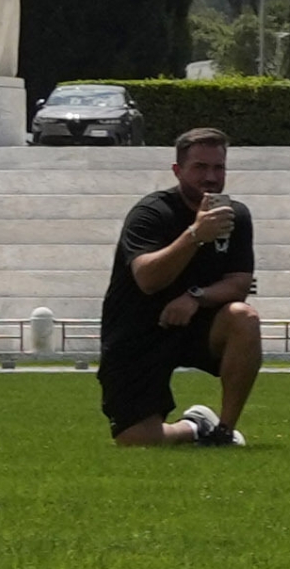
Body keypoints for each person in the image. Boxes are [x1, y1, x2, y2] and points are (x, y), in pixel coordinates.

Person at [105, 126, 261, 446]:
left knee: (243, 318)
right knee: (135, 440)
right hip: (140, 331)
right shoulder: (151, 213)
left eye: (218, 168)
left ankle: (224, 433)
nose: (210, 177)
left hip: (196, 325)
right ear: (178, 171)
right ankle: (196, 426)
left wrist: (195, 297)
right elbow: (148, 279)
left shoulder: (236, 216)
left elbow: (240, 283)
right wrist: (194, 235)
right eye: (200, 167)